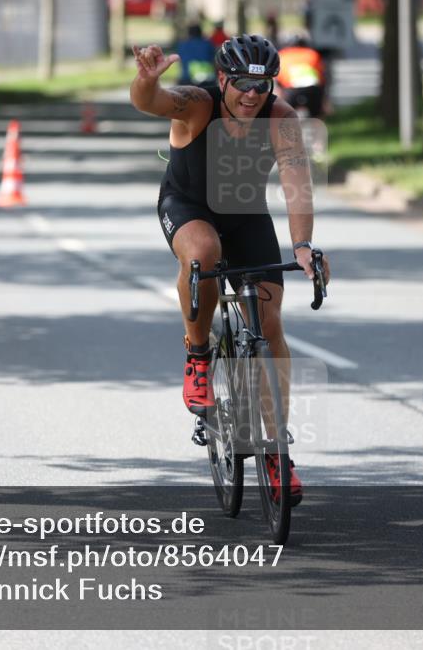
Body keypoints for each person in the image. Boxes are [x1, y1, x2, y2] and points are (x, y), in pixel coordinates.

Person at [129, 35, 331, 504]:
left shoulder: (280, 118)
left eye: (262, 86)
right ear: (223, 79)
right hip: (188, 207)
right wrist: (145, 81)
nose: (251, 94)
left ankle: (278, 452)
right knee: (203, 252)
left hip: (245, 216)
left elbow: (296, 184)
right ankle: (198, 354)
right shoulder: (199, 105)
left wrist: (303, 246)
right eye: (241, 83)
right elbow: (153, 102)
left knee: (271, 321)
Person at [275, 34, 326, 119]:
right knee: (317, 116)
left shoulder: (282, 55)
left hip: (291, 91)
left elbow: (278, 79)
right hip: (313, 89)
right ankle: (319, 128)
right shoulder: (312, 54)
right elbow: (322, 77)